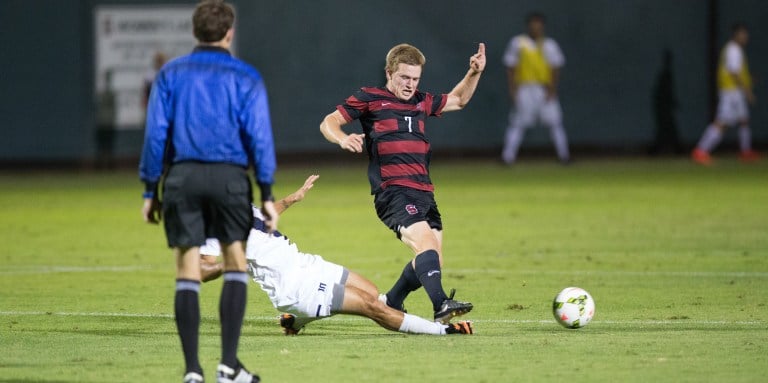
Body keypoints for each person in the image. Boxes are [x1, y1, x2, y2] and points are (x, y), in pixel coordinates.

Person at [138, 1, 276, 382]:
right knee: (234, 262)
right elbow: (259, 137)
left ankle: (193, 371)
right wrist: (266, 190)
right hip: (230, 178)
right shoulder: (245, 76)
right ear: (228, 32)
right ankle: (229, 365)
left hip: (182, 177)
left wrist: (151, 189)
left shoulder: (171, 73)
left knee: (187, 268)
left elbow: (155, 136)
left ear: (196, 32)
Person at [319, 43, 486, 323]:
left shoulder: (422, 100)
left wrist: (474, 73)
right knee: (427, 248)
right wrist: (342, 137)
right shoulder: (370, 97)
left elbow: (459, 100)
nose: (410, 85)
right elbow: (328, 122)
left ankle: (392, 301)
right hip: (393, 191)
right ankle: (441, 304)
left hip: (424, 191)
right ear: (389, 72)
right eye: (404, 78)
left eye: (415, 79)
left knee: (432, 259)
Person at [200, 175, 474, 336]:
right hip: (296, 289)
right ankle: (443, 331)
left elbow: (265, 216)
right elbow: (202, 270)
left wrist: (293, 199)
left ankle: (296, 322)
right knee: (374, 307)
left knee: (372, 291)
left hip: (306, 264)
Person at [501, 12, 570, 165]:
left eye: (538, 25)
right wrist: (512, 89)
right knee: (517, 123)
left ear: (542, 27)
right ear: (528, 26)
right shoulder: (518, 43)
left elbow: (555, 68)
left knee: (555, 122)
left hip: (543, 88)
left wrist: (552, 89)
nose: (535, 28)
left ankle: (564, 156)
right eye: (533, 25)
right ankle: (507, 157)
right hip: (524, 88)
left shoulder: (550, 44)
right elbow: (510, 67)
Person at [692, 23, 760, 165]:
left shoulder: (736, 49)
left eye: (746, 34)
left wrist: (748, 78)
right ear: (736, 35)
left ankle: (745, 151)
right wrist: (747, 91)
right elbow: (734, 73)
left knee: (743, 121)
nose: (745, 37)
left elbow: (737, 72)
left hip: (735, 91)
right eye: (743, 34)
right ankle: (700, 151)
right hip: (730, 92)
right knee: (721, 123)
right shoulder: (733, 49)